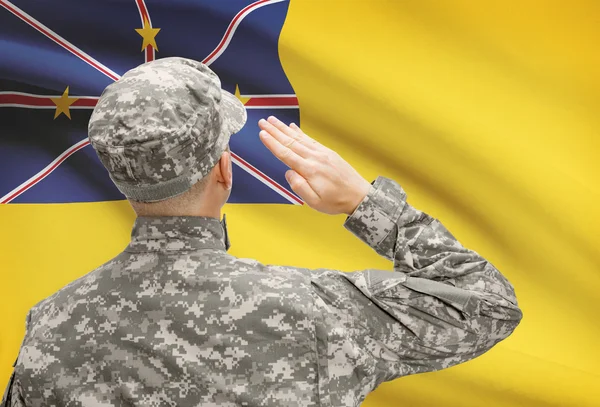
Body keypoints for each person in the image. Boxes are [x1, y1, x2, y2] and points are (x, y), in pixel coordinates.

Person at [1, 57, 523, 407]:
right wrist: (365, 204)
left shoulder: (50, 325)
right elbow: (488, 303)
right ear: (225, 170)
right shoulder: (317, 311)